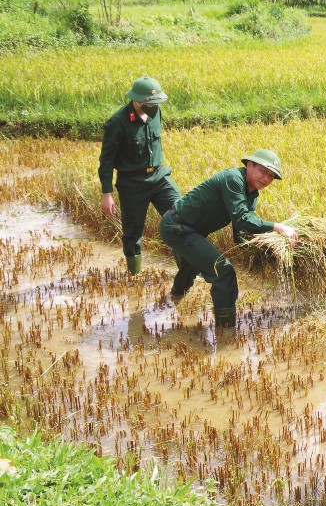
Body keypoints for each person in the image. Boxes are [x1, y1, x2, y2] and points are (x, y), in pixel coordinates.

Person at [158, 149, 298, 328]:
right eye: (263, 171)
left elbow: (241, 229)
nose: (266, 179)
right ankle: (226, 330)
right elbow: (242, 218)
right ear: (249, 165)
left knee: (192, 266)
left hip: (192, 231)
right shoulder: (233, 179)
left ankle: (173, 300)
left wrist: (263, 249)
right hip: (177, 227)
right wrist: (277, 227)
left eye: (271, 176)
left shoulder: (252, 193)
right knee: (223, 272)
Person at [98, 76, 182, 275]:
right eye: (151, 103)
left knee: (182, 218)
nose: (155, 106)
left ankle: (185, 272)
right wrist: (106, 194)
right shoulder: (117, 123)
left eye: (157, 102)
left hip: (159, 177)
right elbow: (106, 160)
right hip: (132, 183)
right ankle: (134, 274)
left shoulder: (156, 112)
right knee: (133, 233)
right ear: (137, 101)